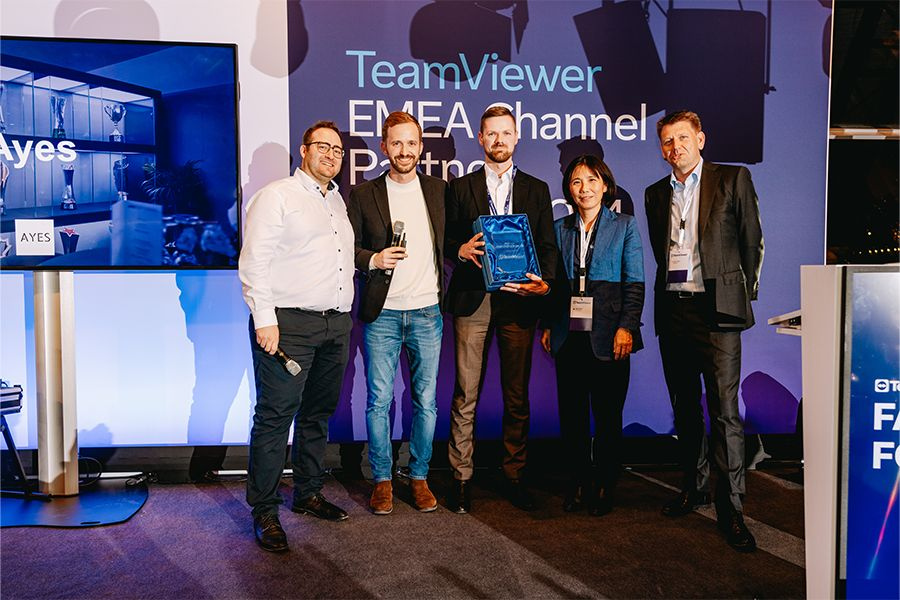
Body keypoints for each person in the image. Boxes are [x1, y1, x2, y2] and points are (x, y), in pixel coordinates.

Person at [644, 110, 764, 552]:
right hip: (674, 309)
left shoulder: (733, 179)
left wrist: (740, 293)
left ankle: (731, 507)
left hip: (718, 312)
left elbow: (751, 241)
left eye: (682, 138)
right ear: (662, 150)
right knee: (685, 408)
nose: (675, 147)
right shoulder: (655, 194)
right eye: (667, 141)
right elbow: (662, 251)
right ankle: (693, 489)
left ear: (700, 139)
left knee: (724, 412)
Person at [239, 120, 354, 552]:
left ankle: (307, 493)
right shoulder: (277, 196)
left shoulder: (336, 201)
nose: (331, 155)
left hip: (335, 323)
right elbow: (255, 261)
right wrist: (264, 319)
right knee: (275, 417)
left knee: (317, 414)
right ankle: (265, 510)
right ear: (303, 151)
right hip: (288, 325)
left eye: (337, 150)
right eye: (322, 146)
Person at [445, 105, 557, 512]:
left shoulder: (537, 189)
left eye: (506, 133)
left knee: (516, 395)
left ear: (517, 137)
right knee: (465, 393)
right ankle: (461, 477)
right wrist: (459, 249)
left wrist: (544, 284)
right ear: (480, 138)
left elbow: (547, 246)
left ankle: (515, 475)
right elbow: (446, 240)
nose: (498, 140)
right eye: (491, 133)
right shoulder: (460, 187)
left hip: (518, 300)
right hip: (473, 298)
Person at [346, 111, 447, 516]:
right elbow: (348, 249)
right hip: (383, 314)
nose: (404, 150)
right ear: (384, 146)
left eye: (411, 143)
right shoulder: (363, 194)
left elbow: (452, 241)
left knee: (426, 401)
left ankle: (419, 476)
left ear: (420, 147)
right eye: (397, 143)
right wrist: (373, 259)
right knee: (378, 401)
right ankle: (383, 480)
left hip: (427, 312)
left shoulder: (440, 190)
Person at [540, 154, 644, 516]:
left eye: (591, 180)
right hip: (568, 335)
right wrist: (548, 325)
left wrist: (627, 327)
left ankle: (605, 483)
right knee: (572, 417)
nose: (584, 189)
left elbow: (634, 282)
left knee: (608, 416)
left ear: (605, 185)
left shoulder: (625, 226)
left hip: (609, 334)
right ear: (569, 189)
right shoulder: (559, 228)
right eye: (576, 182)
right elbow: (553, 284)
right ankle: (579, 481)